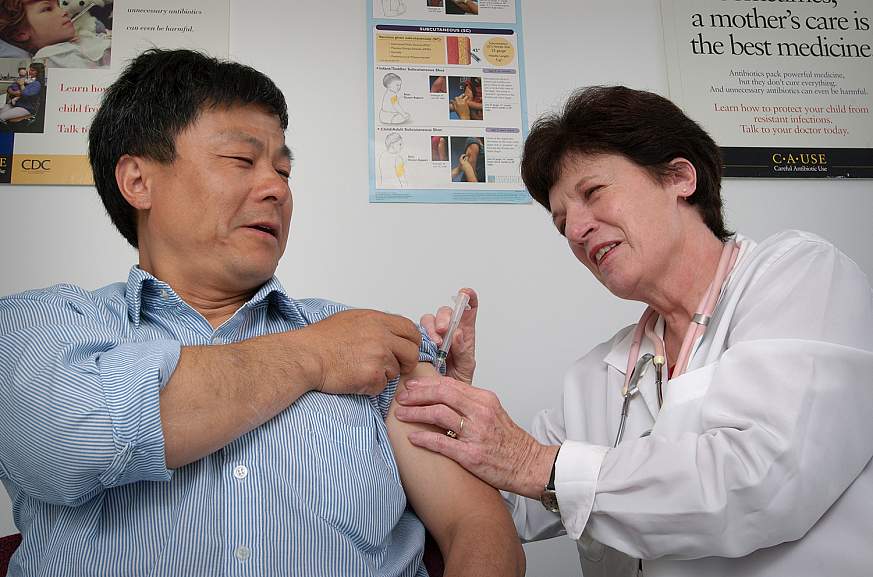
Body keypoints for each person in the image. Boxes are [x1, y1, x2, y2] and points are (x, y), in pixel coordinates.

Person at [0, 49, 524, 577]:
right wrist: (315, 354)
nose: (277, 188)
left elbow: (477, 526)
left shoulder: (374, 344)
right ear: (138, 181)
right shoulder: (43, 326)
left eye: (283, 169)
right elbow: (71, 436)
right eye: (241, 160)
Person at [396, 86, 873, 575]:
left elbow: (767, 481)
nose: (577, 231)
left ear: (679, 177)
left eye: (593, 193)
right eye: (562, 223)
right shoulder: (596, 377)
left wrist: (537, 465)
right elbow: (506, 509)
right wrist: (454, 406)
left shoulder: (800, 276)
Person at [0, 0, 110, 69]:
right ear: (21, 33)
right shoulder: (52, 56)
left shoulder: (69, 44)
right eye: (47, 9)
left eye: (58, 5)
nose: (64, 12)